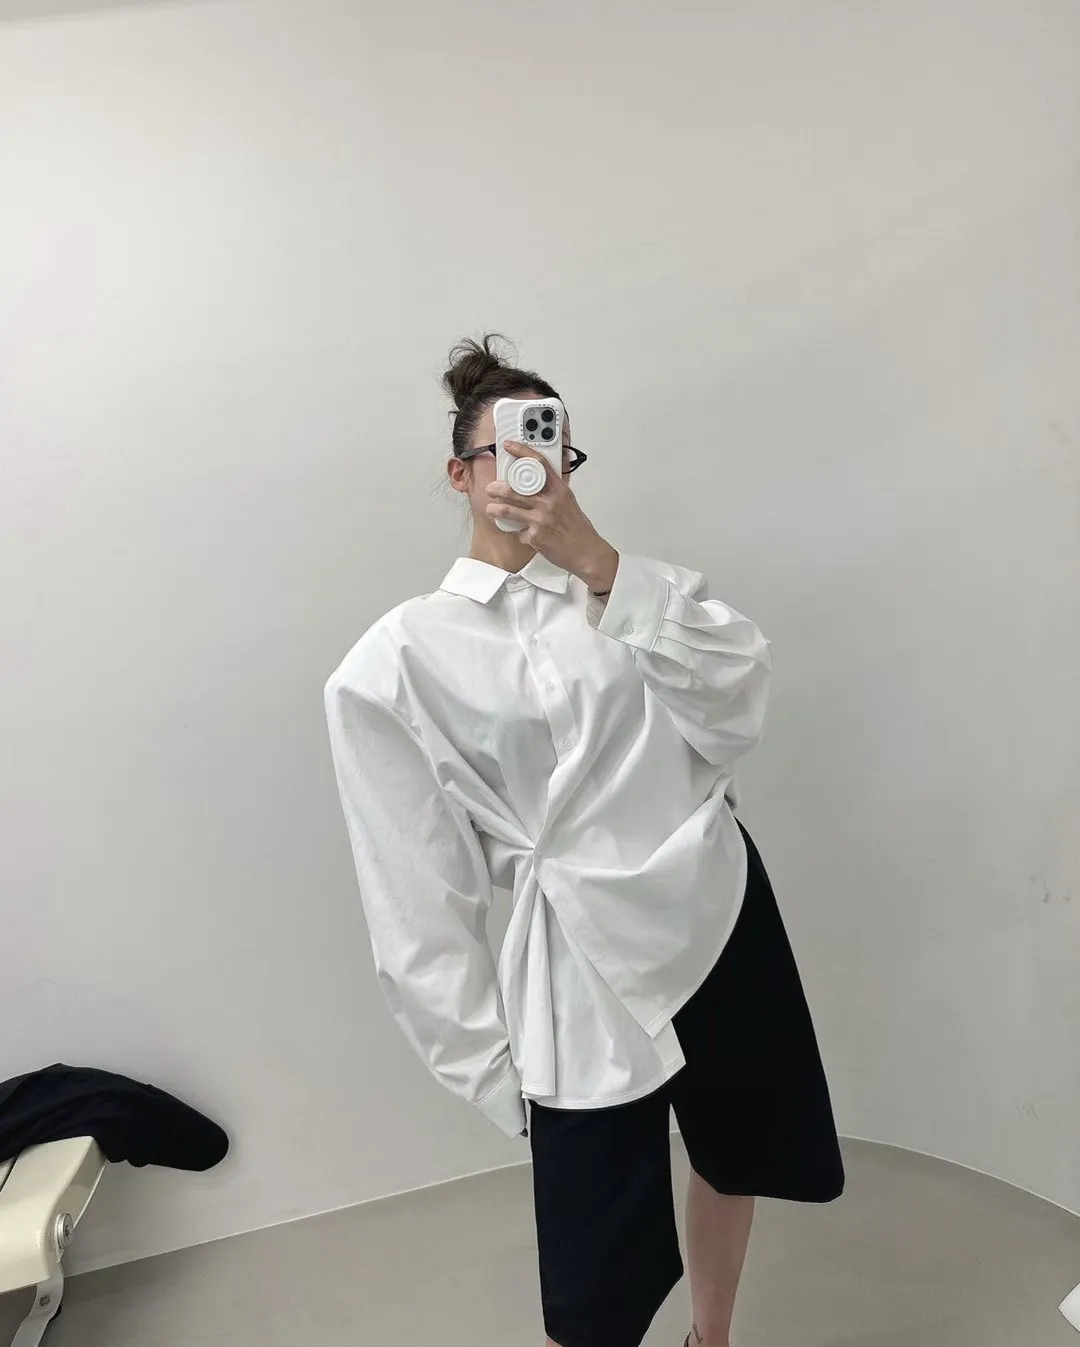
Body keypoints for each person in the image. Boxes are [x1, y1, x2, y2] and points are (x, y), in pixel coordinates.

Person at [324, 335, 844, 1347]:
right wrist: (486, 1060)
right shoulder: (396, 660)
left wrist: (603, 566)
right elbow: (415, 891)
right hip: (573, 964)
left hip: (714, 908)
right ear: (461, 473)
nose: (530, 465)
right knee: (592, 1273)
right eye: (505, 447)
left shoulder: (636, 595)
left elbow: (738, 702)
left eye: (551, 444)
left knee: (734, 1150)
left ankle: (711, 1338)